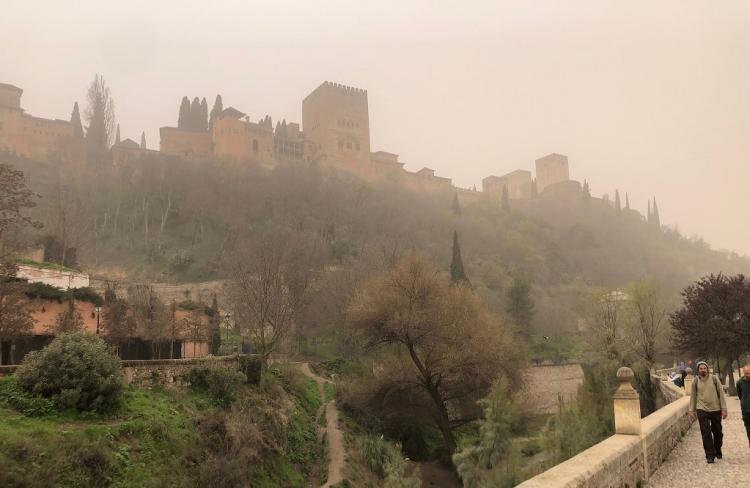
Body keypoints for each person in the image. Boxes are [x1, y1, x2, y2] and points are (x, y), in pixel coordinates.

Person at [689, 361, 727, 463]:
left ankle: (717, 449)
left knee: (718, 432)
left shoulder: (714, 379)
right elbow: (693, 396)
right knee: (706, 433)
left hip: (715, 408)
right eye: (701, 368)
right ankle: (710, 455)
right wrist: (691, 410)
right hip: (701, 408)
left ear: (707, 369)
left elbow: (721, 394)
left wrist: (724, 409)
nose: (703, 370)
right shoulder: (695, 381)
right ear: (698, 370)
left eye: (704, 368)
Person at [736, 364, 750, 447]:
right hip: (746, 411)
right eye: (746, 373)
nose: (748, 375)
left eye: (749, 373)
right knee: (749, 431)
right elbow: (740, 395)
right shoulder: (739, 382)